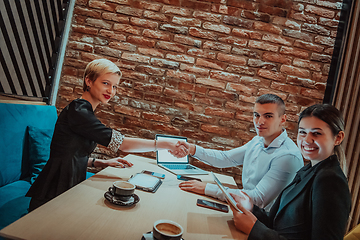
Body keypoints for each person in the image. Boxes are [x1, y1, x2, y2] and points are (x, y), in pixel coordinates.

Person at [26, 59, 188, 211]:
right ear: (89, 81)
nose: (111, 91)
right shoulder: (79, 111)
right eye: (106, 83)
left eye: (115, 86)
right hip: (54, 190)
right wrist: (165, 144)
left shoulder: (83, 111)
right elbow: (122, 144)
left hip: (69, 183)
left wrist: (102, 162)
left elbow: (69, 154)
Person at [230, 104, 351, 240]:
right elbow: (279, 223)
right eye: (303, 132)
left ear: (338, 138)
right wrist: (252, 208)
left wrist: (254, 229)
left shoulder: (330, 180)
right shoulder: (308, 170)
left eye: (316, 133)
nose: (307, 140)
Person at [179, 94, 304, 211]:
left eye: (268, 116)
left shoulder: (288, 156)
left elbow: (257, 200)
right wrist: (192, 149)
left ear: (283, 119)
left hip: (262, 222)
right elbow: (226, 158)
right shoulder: (258, 140)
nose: (260, 122)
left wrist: (207, 188)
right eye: (257, 115)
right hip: (244, 208)